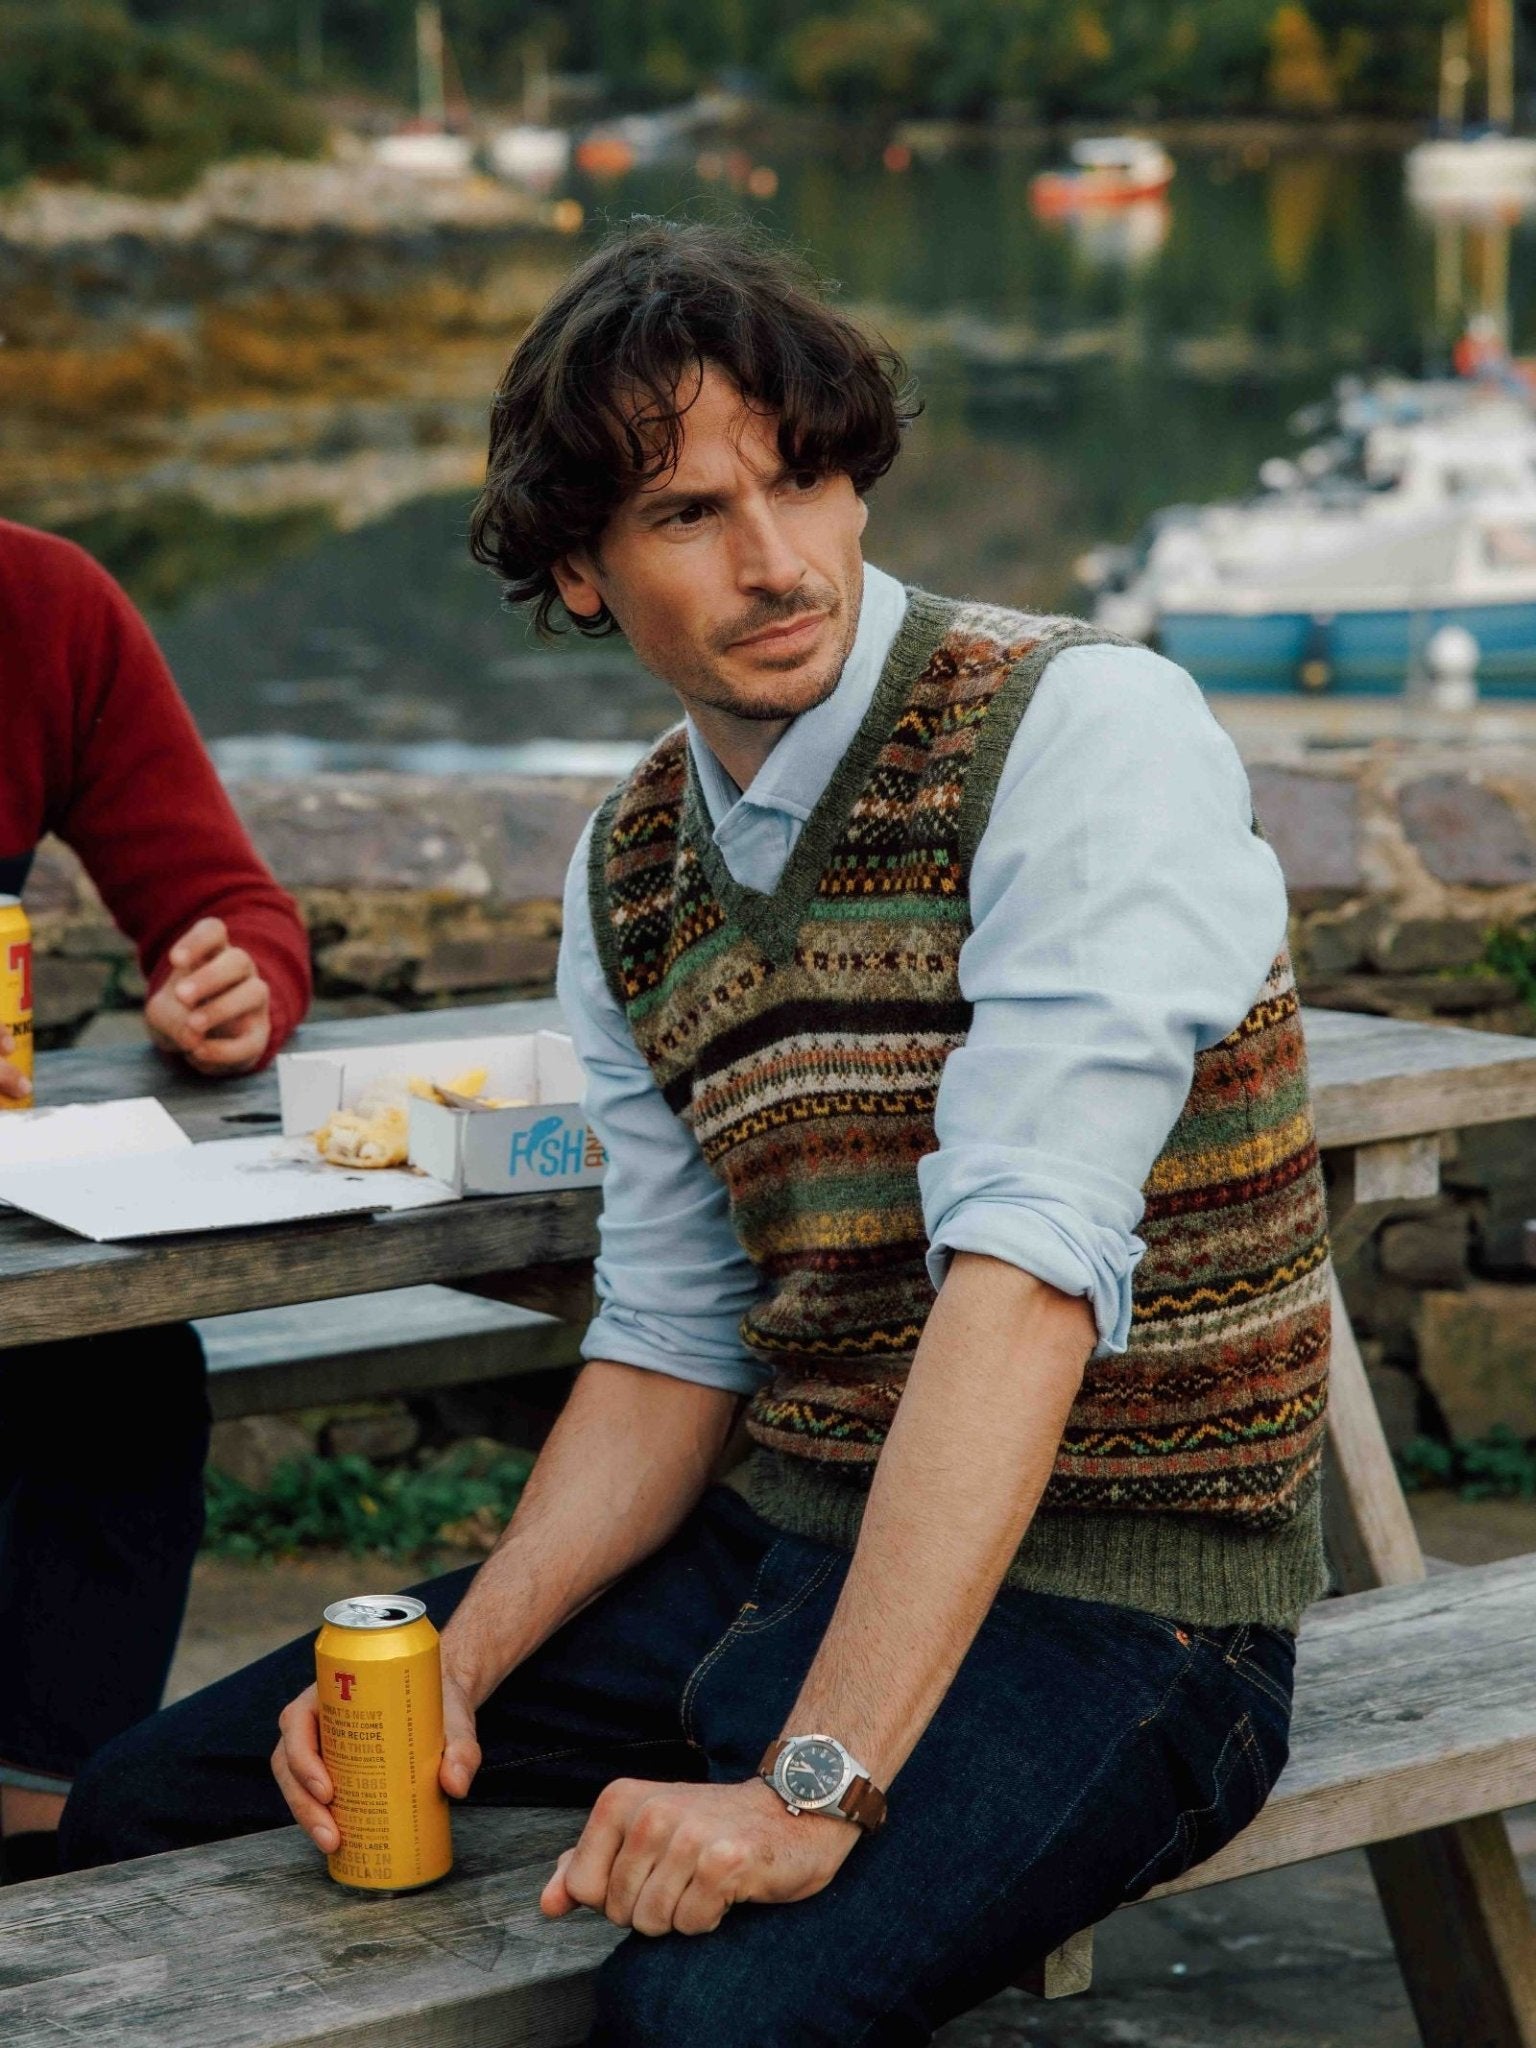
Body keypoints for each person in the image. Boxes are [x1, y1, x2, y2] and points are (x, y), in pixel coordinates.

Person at [61, 223, 1330, 2046]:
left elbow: (1027, 1281)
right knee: (146, 1808)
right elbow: (671, 1337)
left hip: (1129, 1602)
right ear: (580, 572)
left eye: (803, 480)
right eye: (686, 514)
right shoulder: (632, 864)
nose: (776, 561)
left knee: (697, 2021)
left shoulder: (1083, 733)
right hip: (772, 1550)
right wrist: (463, 1668)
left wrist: (812, 1784)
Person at [0, 519, 311, 1882]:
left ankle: (40, 1863)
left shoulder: (43, 606)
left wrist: (229, 986)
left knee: (122, 1370)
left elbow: (227, 902)